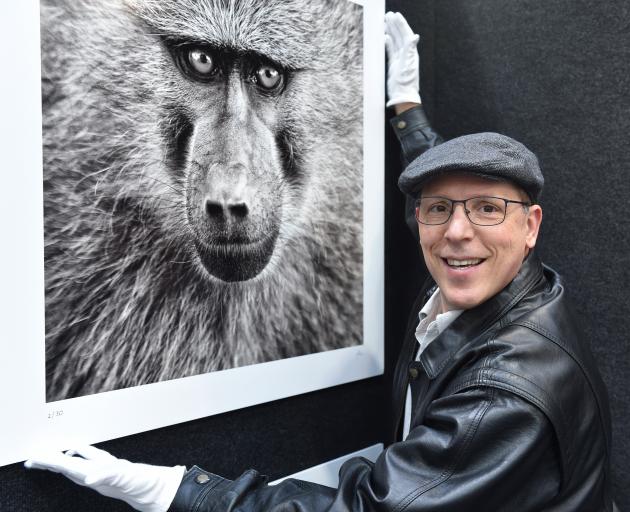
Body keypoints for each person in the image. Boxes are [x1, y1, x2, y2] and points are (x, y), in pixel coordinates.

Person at [25, 11, 613, 511]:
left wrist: (173, 489)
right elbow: (446, 205)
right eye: (200, 64)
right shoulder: (505, 279)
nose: (458, 233)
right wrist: (406, 106)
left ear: (529, 227)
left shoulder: (506, 394)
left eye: (268, 75)